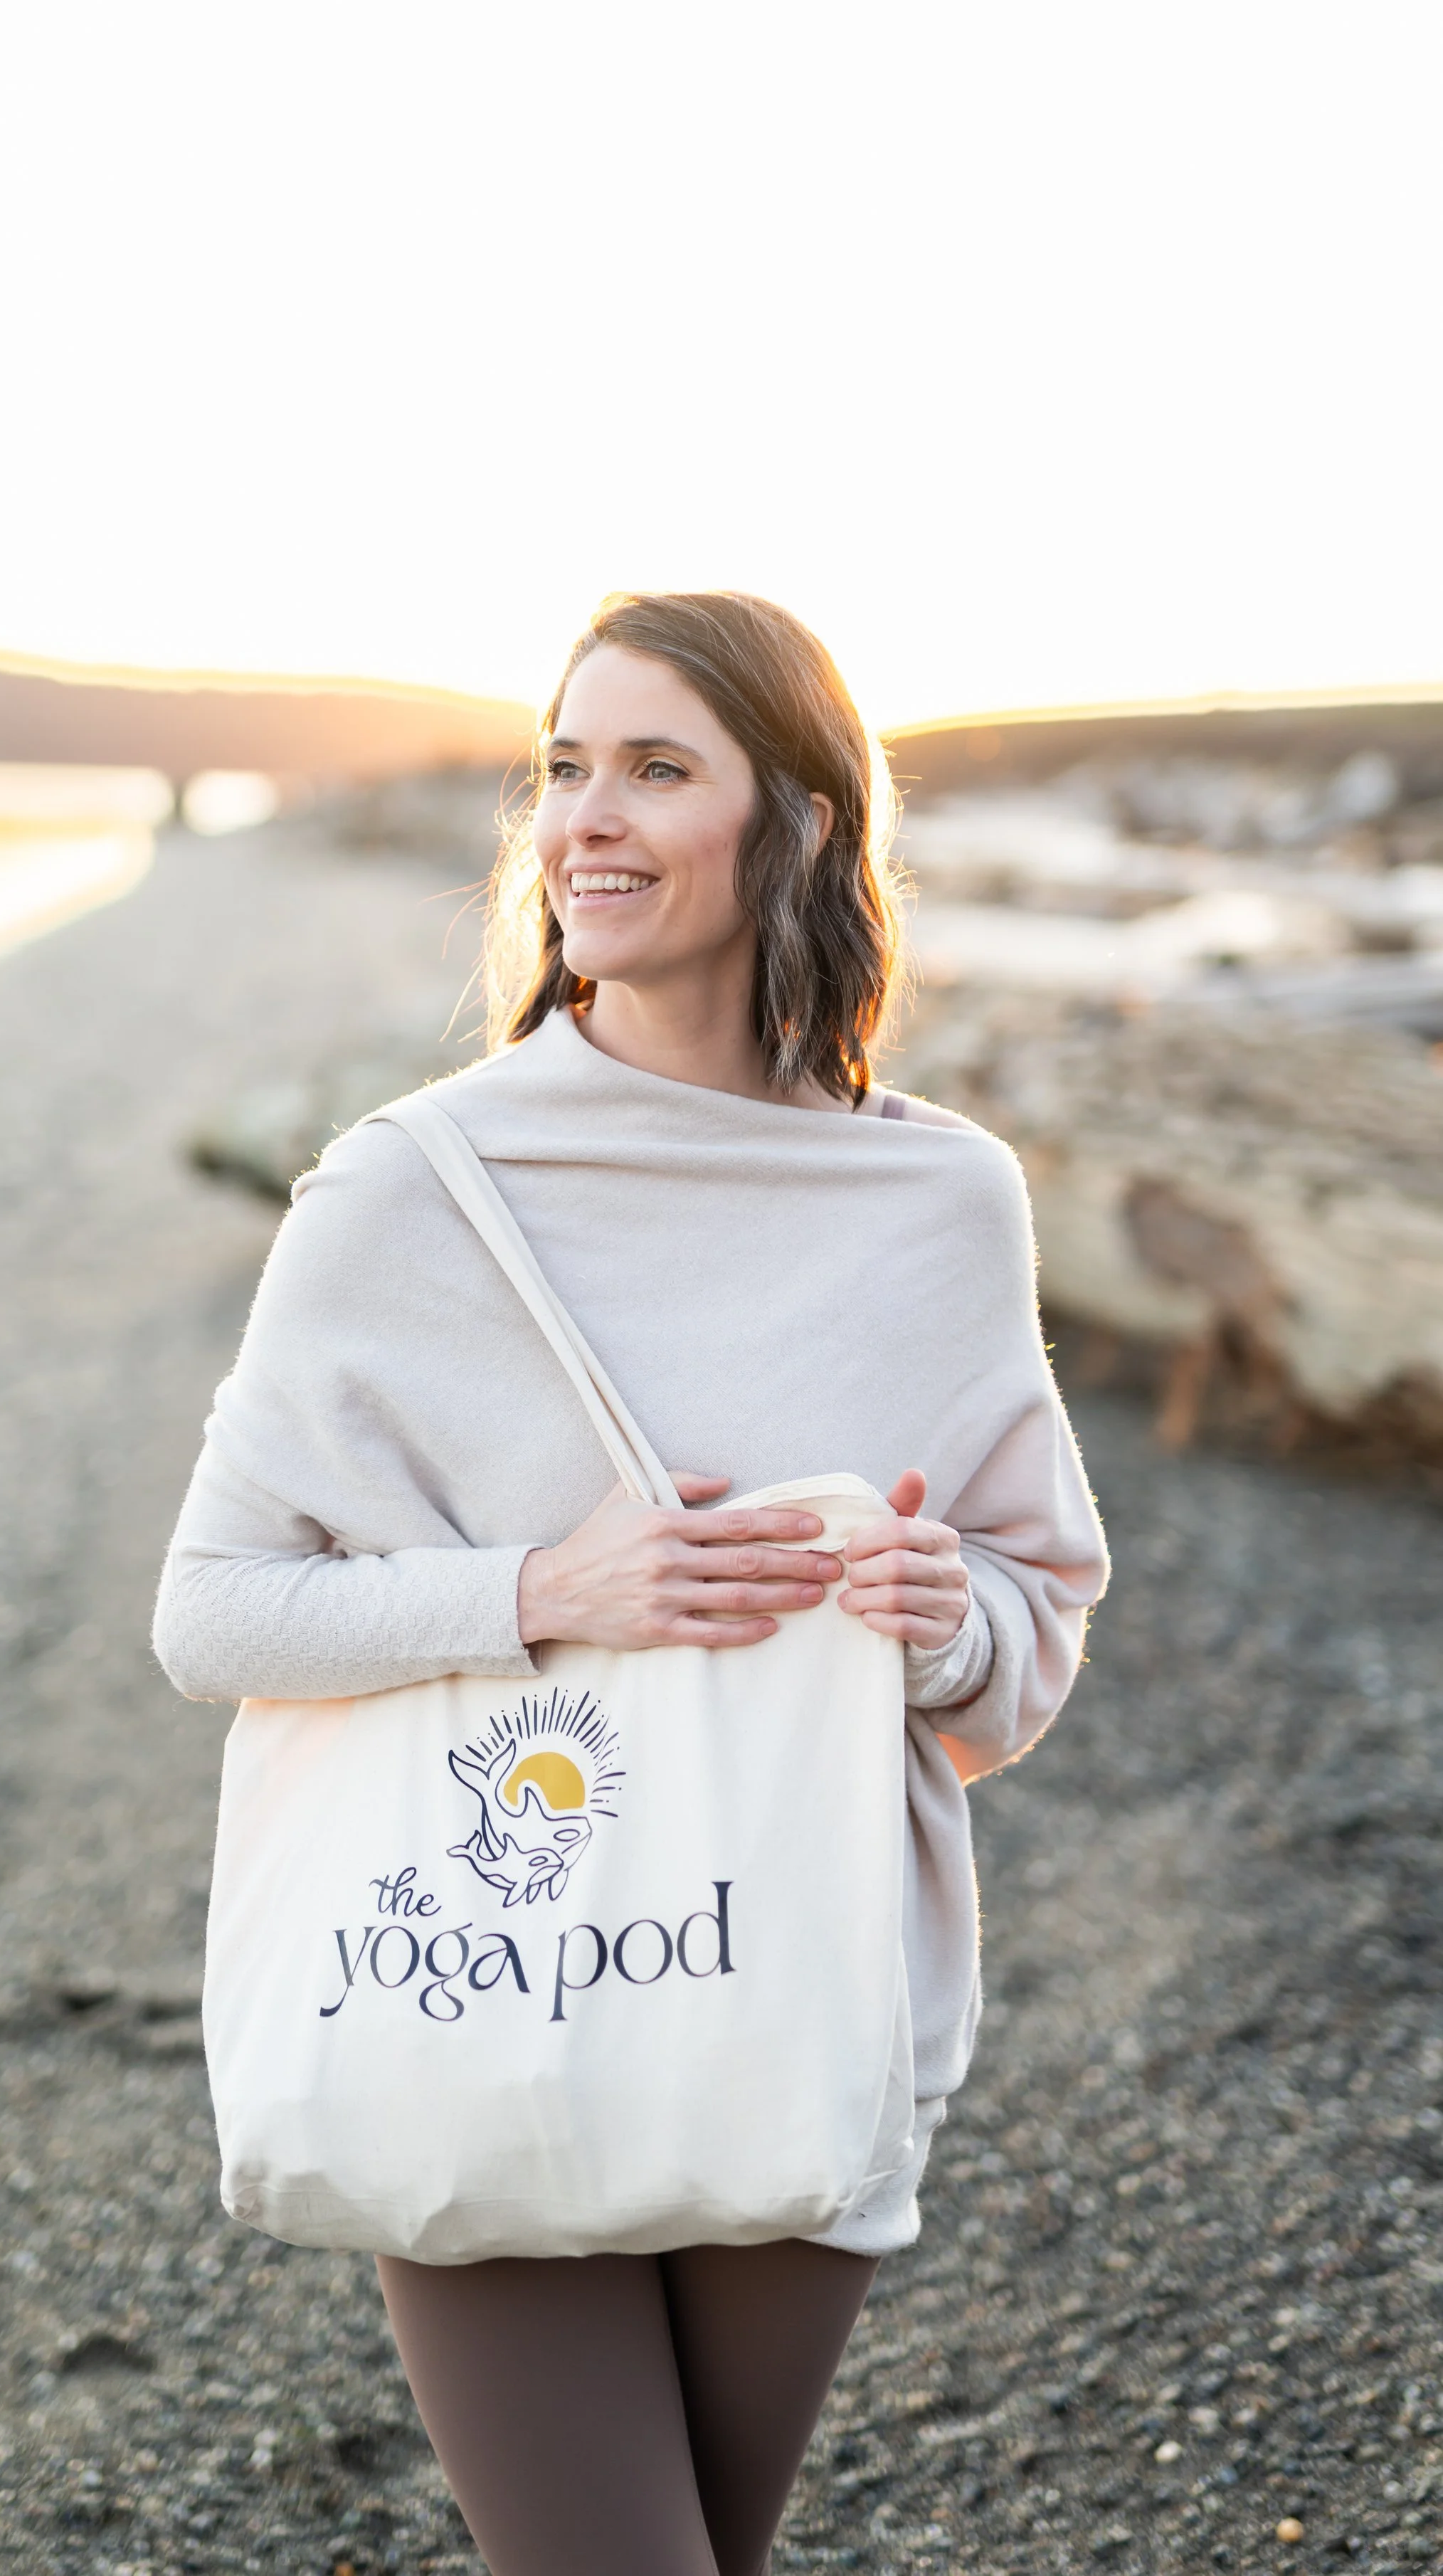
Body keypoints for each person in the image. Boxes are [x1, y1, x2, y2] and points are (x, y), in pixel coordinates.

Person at [154, 591, 1109, 2576]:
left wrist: (942, 1618)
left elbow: (1030, 1628)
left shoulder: (941, 1198)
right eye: (563, 767)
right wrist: (543, 1587)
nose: (585, 817)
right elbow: (214, 1610)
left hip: (810, 1985)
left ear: (805, 822)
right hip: (486, 1973)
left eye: (657, 767)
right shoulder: (412, 1186)